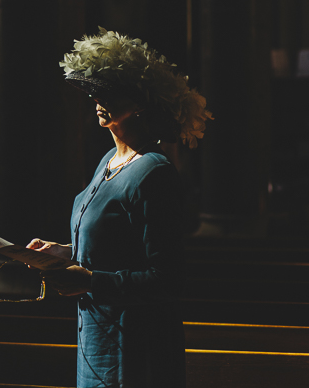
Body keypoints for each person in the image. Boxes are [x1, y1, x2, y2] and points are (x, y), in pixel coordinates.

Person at [26, 27, 213, 388]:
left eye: (110, 91)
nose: (98, 98)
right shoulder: (109, 160)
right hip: (96, 333)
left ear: (139, 103)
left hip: (135, 346)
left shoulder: (152, 172)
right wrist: (63, 253)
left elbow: (168, 277)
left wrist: (92, 281)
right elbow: (111, 246)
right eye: (94, 90)